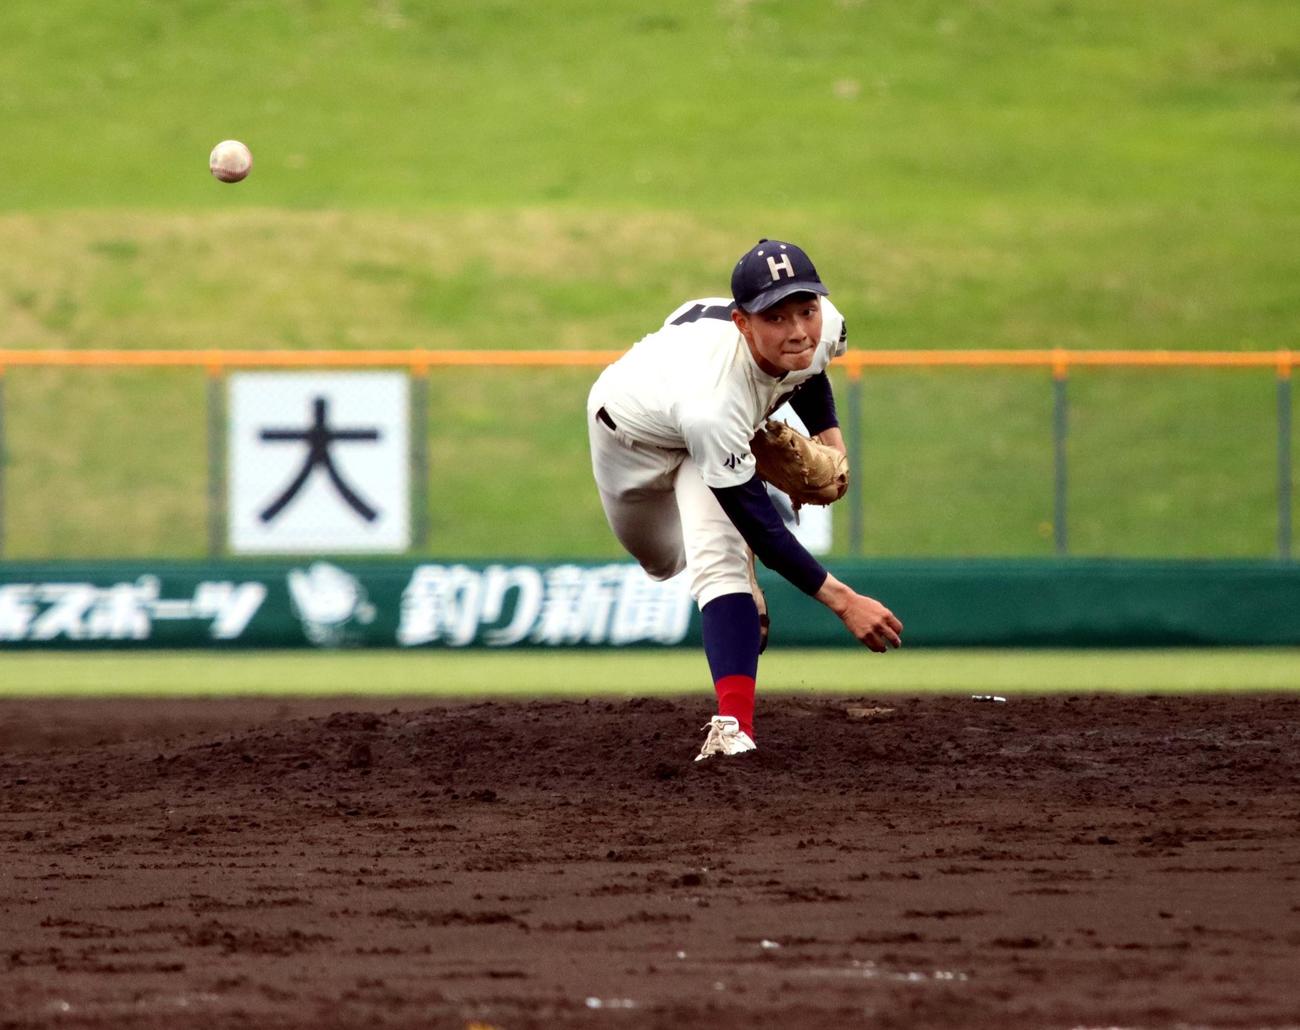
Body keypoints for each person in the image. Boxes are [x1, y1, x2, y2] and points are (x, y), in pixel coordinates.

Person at [587, 239, 903, 761]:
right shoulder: (713, 405)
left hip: (706, 435)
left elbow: (809, 367)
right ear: (742, 322)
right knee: (662, 559)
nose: (799, 329)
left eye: (807, 308)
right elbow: (762, 524)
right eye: (776, 317)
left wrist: (832, 442)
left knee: (720, 566)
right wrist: (845, 602)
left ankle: (734, 728)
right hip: (630, 438)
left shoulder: (824, 327)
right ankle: (730, 572)